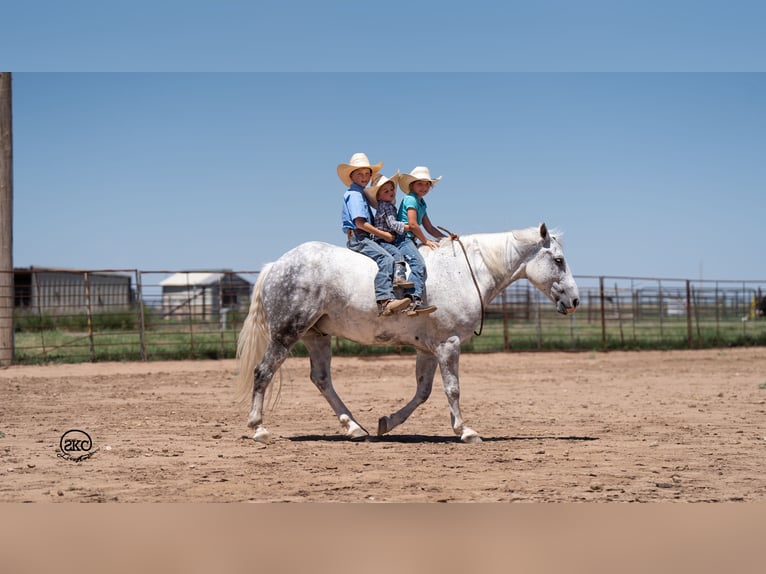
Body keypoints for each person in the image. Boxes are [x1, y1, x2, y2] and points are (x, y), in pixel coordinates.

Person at [339, 153, 410, 316]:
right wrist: (384, 235)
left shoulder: (360, 194)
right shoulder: (355, 195)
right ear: (351, 176)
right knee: (386, 258)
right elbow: (360, 223)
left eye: (367, 174)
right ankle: (385, 301)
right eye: (359, 173)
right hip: (359, 237)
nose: (364, 177)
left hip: (362, 236)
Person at [396, 165, 458, 315]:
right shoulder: (410, 199)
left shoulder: (421, 203)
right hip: (403, 238)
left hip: (411, 239)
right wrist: (425, 241)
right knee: (418, 264)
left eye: (427, 184)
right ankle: (412, 300)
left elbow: (429, 227)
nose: (424, 187)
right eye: (420, 183)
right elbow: (412, 224)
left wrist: (447, 238)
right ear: (412, 185)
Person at [364, 170, 415, 291]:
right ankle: (398, 278)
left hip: (386, 239)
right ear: (379, 196)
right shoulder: (386, 206)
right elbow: (392, 224)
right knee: (397, 254)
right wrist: (407, 227)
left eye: (391, 189)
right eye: (386, 191)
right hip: (382, 240)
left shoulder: (387, 205)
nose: (391, 192)